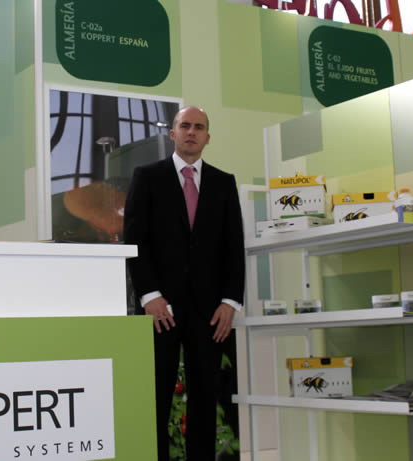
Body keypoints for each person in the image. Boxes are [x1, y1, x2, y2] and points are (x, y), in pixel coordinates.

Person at [123, 106, 245, 461]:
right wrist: (149, 295)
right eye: (185, 125)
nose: (192, 132)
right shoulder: (147, 177)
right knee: (155, 396)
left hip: (211, 312)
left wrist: (230, 301)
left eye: (199, 127)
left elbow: (233, 246)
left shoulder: (224, 182)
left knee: (206, 396)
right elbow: (135, 241)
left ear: (208, 137)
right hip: (159, 309)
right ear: (172, 133)